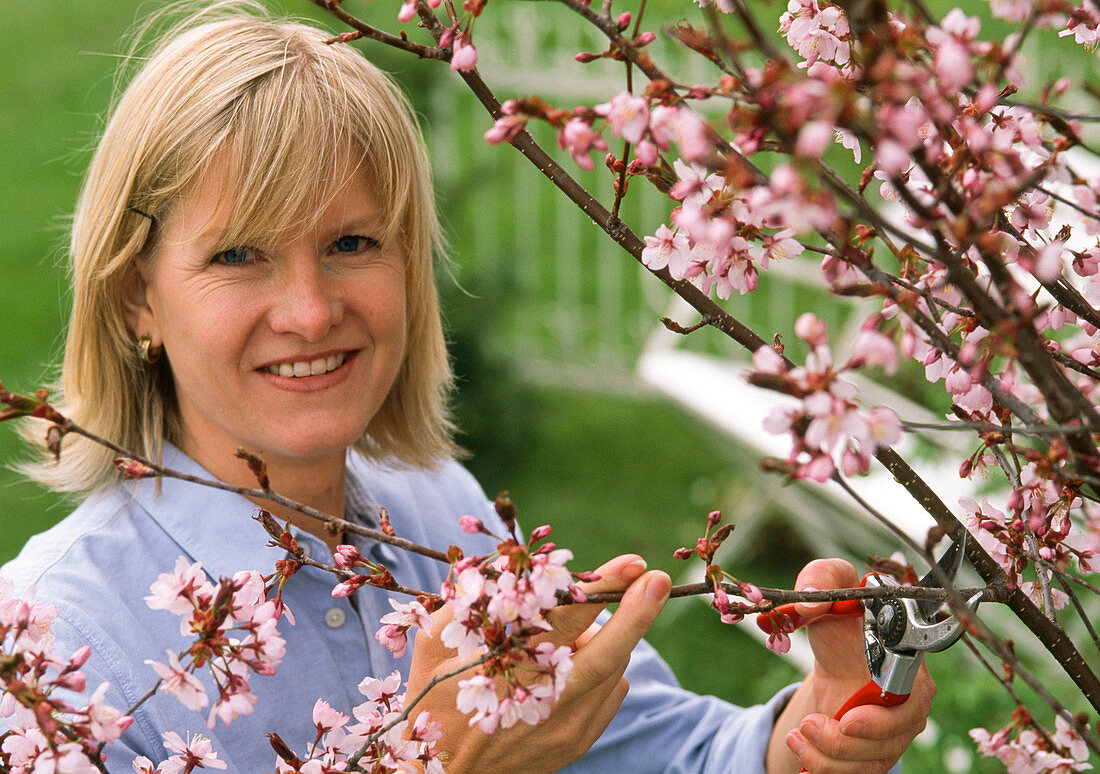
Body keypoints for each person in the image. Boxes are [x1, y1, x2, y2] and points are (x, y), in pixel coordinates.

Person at [1, 5, 933, 772]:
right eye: (239, 256)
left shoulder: (436, 515)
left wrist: (802, 740)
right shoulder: (48, 654)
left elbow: (670, 751)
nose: (313, 312)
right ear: (136, 300)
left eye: (352, 244)